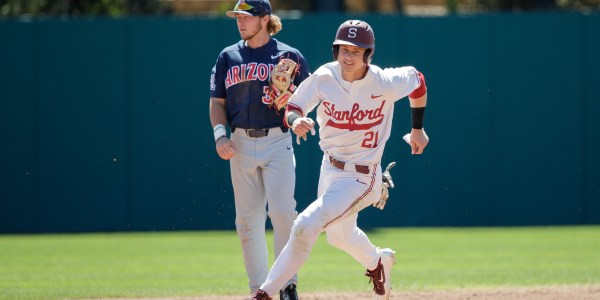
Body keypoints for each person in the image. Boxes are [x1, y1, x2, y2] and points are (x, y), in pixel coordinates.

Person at [247, 20, 429, 300]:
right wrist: (295, 121)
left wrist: (417, 128)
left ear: (369, 54)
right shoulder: (325, 77)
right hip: (330, 167)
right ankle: (379, 262)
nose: (348, 57)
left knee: (306, 224)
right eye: (343, 49)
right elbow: (293, 106)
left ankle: (266, 293)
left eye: (356, 51)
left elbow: (418, 80)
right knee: (338, 237)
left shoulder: (384, 82)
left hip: (363, 177)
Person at [208, 0, 310, 299]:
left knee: (283, 213)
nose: (240, 21)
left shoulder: (289, 55)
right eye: (237, 17)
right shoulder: (228, 56)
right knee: (248, 221)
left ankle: (287, 284)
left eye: (246, 16)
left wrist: (300, 116)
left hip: (277, 139)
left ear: (264, 19)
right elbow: (217, 102)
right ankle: (259, 290)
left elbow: (308, 96)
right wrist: (219, 135)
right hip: (238, 142)